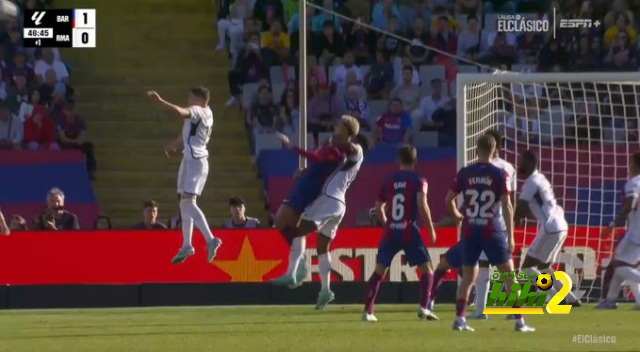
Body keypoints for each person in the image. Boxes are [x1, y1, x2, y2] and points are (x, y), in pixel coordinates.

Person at [444, 134, 534, 332]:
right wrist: (511, 235)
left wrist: (458, 215)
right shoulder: (500, 174)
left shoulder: (465, 173)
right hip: (492, 230)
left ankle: (460, 319)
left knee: (468, 277)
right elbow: (507, 206)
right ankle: (520, 321)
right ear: (494, 151)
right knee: (509, 276)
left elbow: (448, 199)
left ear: (477, 149)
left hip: (469, 230)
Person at [272, 116, 363, 297]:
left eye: (340, 124)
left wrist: (292, 145)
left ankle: (295, 271)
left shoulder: (354, 149)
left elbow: (344, 148)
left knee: (298, 231)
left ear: (349, 130)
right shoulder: (340, 154)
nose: (336, 125)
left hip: (331, 200)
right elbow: (325, 163)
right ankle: (325, 290)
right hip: (335, 201)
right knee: (322, 247)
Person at [146, 87, 223, 264]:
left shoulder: (197, 110)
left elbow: (180, 112)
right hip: (194, 158)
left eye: (191, 96)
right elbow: (189, 131)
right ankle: (187, 244)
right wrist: (174, 144)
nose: (188, 99)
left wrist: (160, 101)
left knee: (188, 202)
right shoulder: (208, 112)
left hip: (194, 160)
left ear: (199, 98)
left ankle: (210, 239)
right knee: (184, 201)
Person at [362, 145, 438, 322]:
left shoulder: (389, 180)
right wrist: (431, 229)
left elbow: (378, 207)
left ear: (398, 160)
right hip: (409, 230)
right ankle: (423, 308)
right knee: (427, 269)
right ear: (415, 160)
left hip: (391, 231)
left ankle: (368, 311)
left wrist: (387, 224)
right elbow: (422, 205)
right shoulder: (419, 180)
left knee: (379, 271)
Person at [515, 150, 580, 306]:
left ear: (530, 163)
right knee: (544, 267)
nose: (519, 164)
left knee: (526, 269)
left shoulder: (531, 183)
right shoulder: (541, 178)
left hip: (550, 228)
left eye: (521, 161)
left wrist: (509, 219)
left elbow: (521, 209)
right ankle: (571, 298)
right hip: (561, 225)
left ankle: (554, 297)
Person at [472, 130, 517, 319]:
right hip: (501, 223)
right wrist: (511, 226)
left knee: (483, 267)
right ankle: (516, 311)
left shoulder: (475, 168)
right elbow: (511, 201)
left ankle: (481, 311)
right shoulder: (508, 167)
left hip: (482, 224)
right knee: (507, 270)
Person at [598, 152, 640, 309]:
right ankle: (610, 301)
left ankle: (610, 300)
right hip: (635, 233)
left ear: (636, 165)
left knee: (621, 265)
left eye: (630, 164)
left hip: (636, 234)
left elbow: (630, 205)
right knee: (623, 264)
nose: (628, 168)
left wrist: (612, 224)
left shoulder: (634, 183)